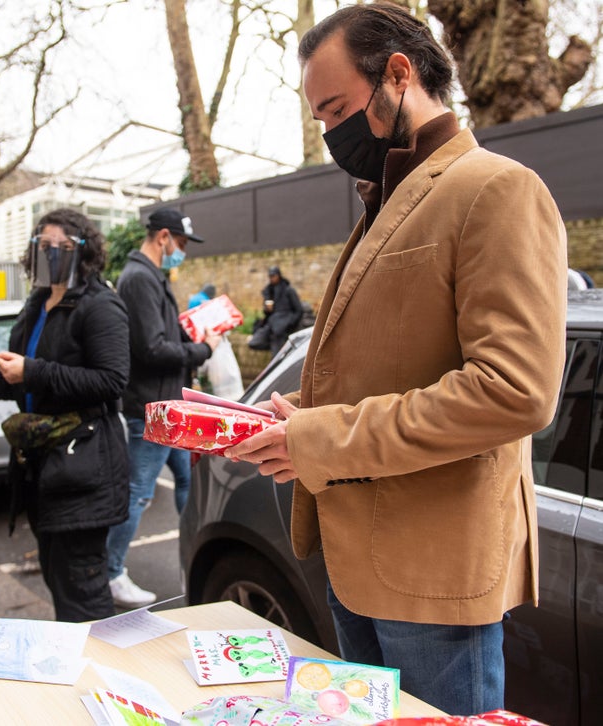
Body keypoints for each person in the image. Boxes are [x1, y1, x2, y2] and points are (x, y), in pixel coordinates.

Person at [225, 2, 567, 716]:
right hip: (356, 561)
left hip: (433, 574)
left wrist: (319, 438)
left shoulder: (497, 188)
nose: (329, 134)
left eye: (337, 108)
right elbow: (391, 366)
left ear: (399, 74)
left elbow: (514, 392)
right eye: (319, 119)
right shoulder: (386, 198)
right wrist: (304, 418)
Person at [0, 208, 130, 623]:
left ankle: (100, 682)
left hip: (83, 466)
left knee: (83, 596)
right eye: (44, 246)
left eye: (64, 248)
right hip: (44, 467)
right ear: (32, 251)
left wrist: (32, 371)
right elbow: (22, 379)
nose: (53, 254)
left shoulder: (100, 305)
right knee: (60, 582)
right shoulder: (37, 302)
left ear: (84, 252)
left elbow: (111, 381)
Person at [106, 208, 220, 607]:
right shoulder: (139, 278)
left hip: (167, 407)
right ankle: (111, 573)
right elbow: (151, 349)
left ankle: (192, 556)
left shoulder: (148, 276)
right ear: (164, 237)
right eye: (182, 245)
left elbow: (158, 337)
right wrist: (203, 349)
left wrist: (189, 334)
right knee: (138, 493)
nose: (182, 253)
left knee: (188, 483)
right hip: (152, 409)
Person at [249, 266, 303, 354]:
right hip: (271, 324)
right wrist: (267, 310)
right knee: (253, 342)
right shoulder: (269, 291)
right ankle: (276, 347)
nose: (272, 278)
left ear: (279, 276)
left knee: (277, 355)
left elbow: (298, 310)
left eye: (273, 276)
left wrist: (289, 323)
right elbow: (267, 313)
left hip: (282, 326)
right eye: (270, 276)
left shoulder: (288, 290)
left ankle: (279, 349)